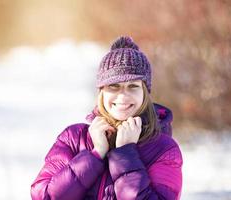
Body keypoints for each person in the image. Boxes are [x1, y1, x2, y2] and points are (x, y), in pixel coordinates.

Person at [31, 36, 183, 200]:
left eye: (133, 86)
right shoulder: (74, 138)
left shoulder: (163, 148)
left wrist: (126, 155)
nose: (123, 96)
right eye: (114, 86)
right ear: (101, 91)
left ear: (145, 93)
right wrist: (94, 156)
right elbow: (44, 196)